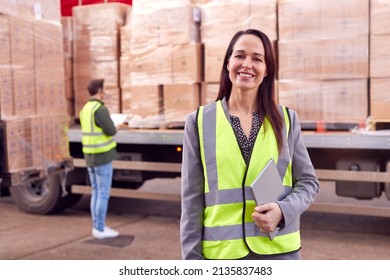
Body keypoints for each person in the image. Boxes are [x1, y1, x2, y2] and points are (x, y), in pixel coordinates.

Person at [180, 29, 319, 260]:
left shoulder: (286, 120)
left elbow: (308, 182)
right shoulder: (199, 121)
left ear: (266, 71)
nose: (247, 64)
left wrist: (283, 211)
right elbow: (191, 200)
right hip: (223, 255)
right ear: (227, 63)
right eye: (240, 56)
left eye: (257, 58)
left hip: (278, 252)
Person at [79, 79, 119, 239]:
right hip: (102, 156)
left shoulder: (85, 109)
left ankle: (98, 226)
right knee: (103, 193)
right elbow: (110, 130)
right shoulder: (100, 109)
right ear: (99, 91)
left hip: (90, 156)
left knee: (96, 192)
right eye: (104, 90)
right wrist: (116, 126)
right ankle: (100, 229)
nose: (105, 93)